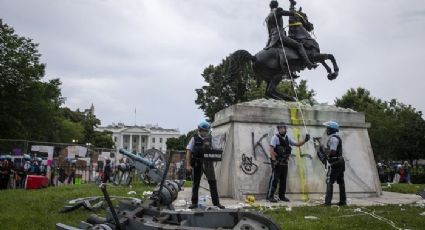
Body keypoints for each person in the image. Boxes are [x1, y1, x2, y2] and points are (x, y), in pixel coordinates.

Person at [264, 0, 317, 69]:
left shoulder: (267, 17)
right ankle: (308, 63)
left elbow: (269, 31)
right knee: (299, 45)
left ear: (270, 6)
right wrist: (292, 7)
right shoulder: (277, 11)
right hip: (280, 35)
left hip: (271, 39)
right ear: (277, 5)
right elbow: (291, 14)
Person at [267, 122, 310, 202]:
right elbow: (271, 149)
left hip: (284, 162)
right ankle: (270, 196)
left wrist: (305, 140)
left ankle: (282, 196)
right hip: (277, 162)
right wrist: (273, 160)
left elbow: (297, 144)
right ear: (278, 129)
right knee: (275, 179)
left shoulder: (287, 138)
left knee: (283, 180)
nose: (281, 129)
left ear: (285, 129)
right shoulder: (275, 138)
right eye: (280, 128)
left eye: (283, 128)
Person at [186, 121, 225, 209]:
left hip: (208, 163)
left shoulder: (211, 139)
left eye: (207, 131)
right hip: (197, 163)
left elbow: (217, 150)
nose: (205, 132)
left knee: (212, 182)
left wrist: (212, 149)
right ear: (199, 130)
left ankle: (216, 203)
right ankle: (194, 203)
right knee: (196, 183)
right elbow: (188, 151)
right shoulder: (194, 139)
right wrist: (188, 165)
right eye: (203, 130)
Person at [321, 121, 346, 206]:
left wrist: (326, 154)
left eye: (328, 128)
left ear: (331, 129)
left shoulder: (333, 138)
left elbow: (333, 151)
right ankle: (343, 201)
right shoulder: (337, 137)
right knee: (341, 181)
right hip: (340, 161)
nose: (326, 130)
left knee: (329, 181)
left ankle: (327, 202)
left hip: (335, 162)